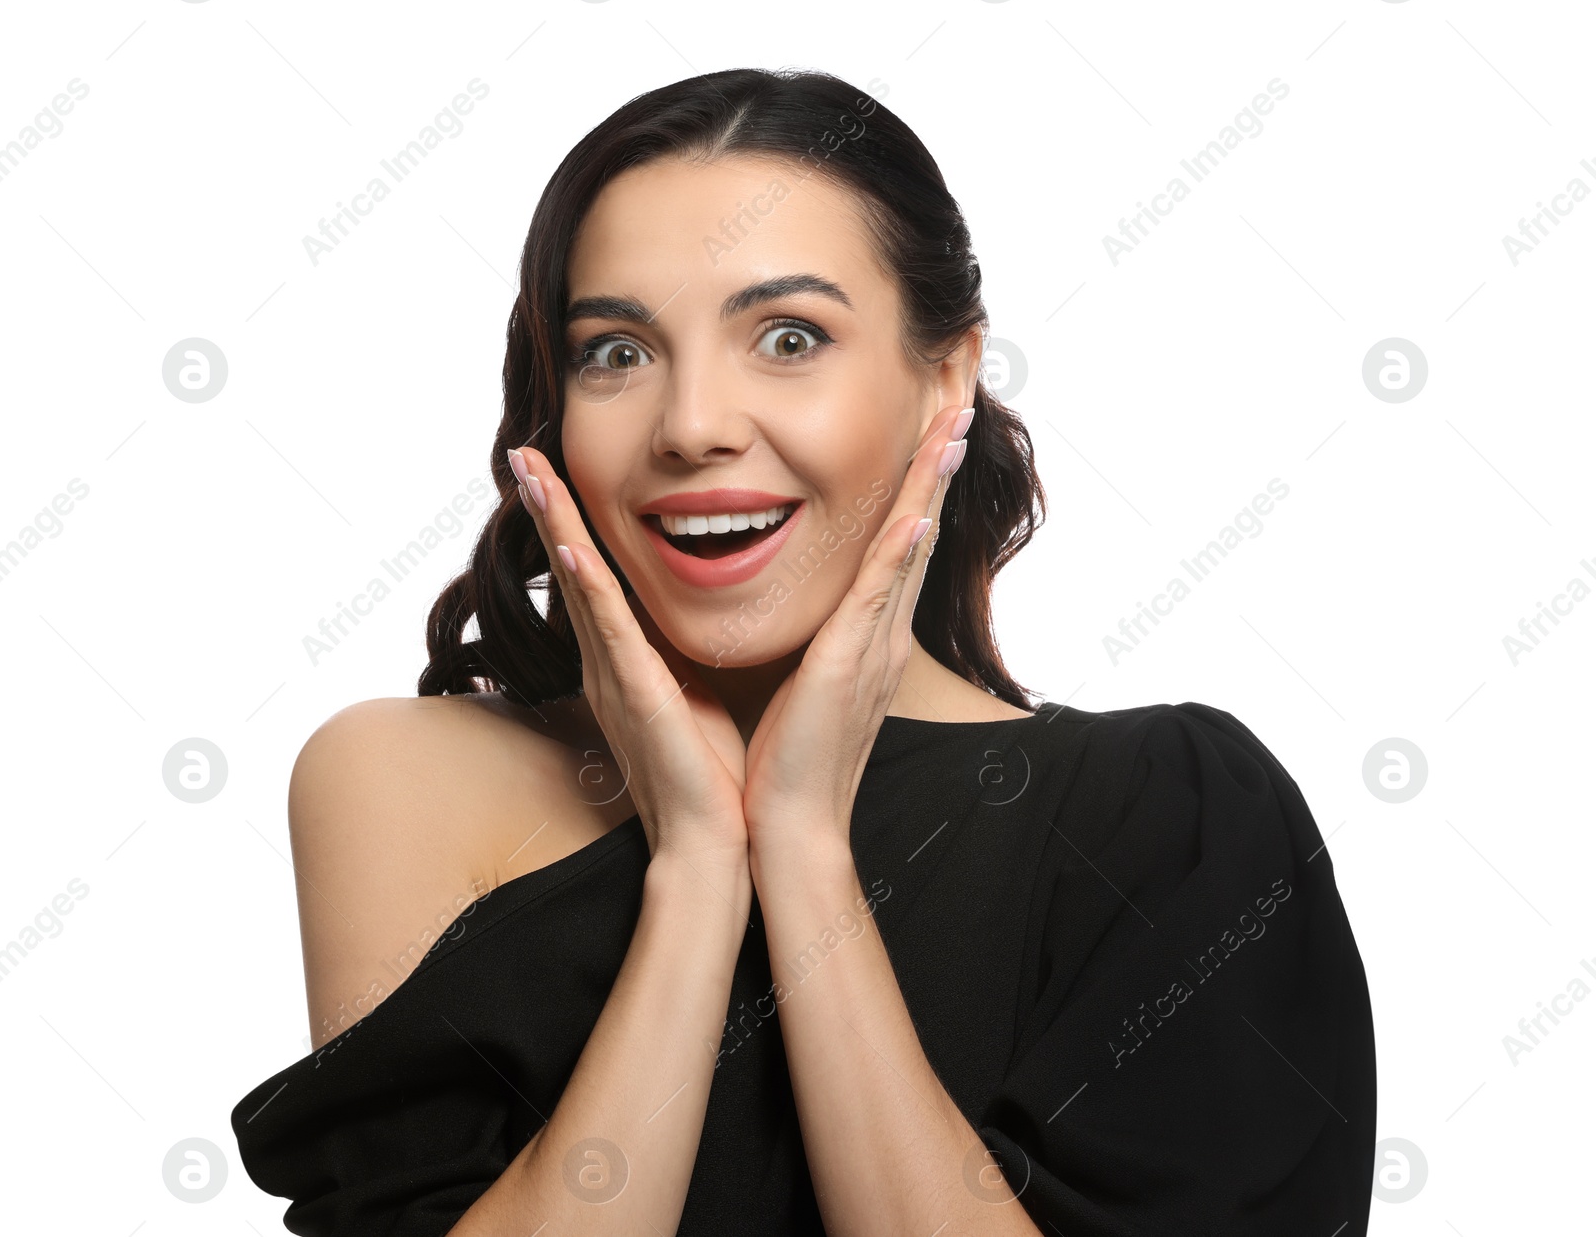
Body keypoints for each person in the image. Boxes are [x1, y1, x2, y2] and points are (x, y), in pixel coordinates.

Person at [231, 67, 1376, 1236]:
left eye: (788, 336)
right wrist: (692, 871)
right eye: (616, 352)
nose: (690, 426)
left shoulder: (1172, 814)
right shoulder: (402, 779)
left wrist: (803, 850)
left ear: (945, 377)